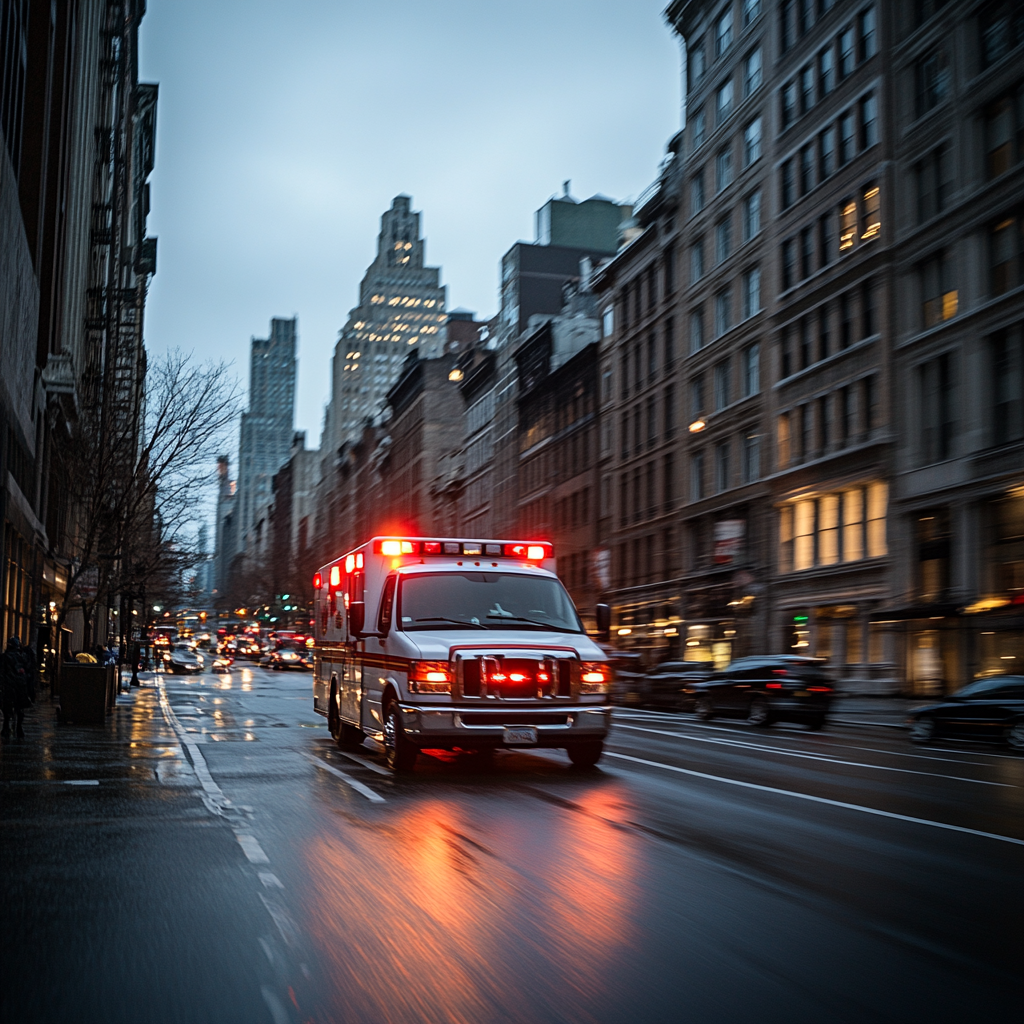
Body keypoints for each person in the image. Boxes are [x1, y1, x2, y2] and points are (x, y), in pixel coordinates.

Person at [1, 636, 34, 738]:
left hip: (9, 685)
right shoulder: (23, 656)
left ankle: (7, 726)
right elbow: (29, 671)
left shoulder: (5, 657)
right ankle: (18, 727)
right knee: (20, 708)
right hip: (21, 685)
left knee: (6, 706)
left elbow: (2, 672)